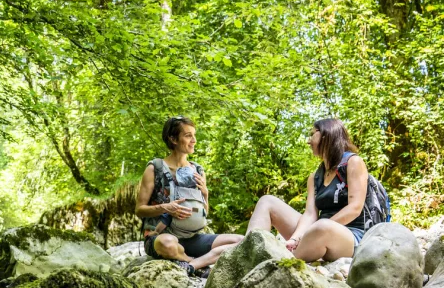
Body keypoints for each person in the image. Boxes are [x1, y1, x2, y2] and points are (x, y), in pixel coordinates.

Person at [246, 118, 368, 261]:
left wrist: (315, 229)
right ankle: (248, 253)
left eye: (312, 134)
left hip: (350, 236)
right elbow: (310, 214)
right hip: (316, 231)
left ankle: (286, 264)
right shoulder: (315, 177)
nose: (308, 141)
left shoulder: (353, 162)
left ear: (326, 134)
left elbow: (355, 208)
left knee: (322, 227)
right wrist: (295, 238)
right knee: (267, 201)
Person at [135, 116, 242, 275]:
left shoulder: (198, 170)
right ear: (173, 139)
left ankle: (192, 264)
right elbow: (139, 209)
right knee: (167, 243)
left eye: (194, 135)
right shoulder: (155, 168)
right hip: (161, 238)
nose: (194, 140)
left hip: (193, 239)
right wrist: (165, 208)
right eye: (188, 135)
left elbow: (204, 212)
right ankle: (194, 263)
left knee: (240, 240)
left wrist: (205, 194)